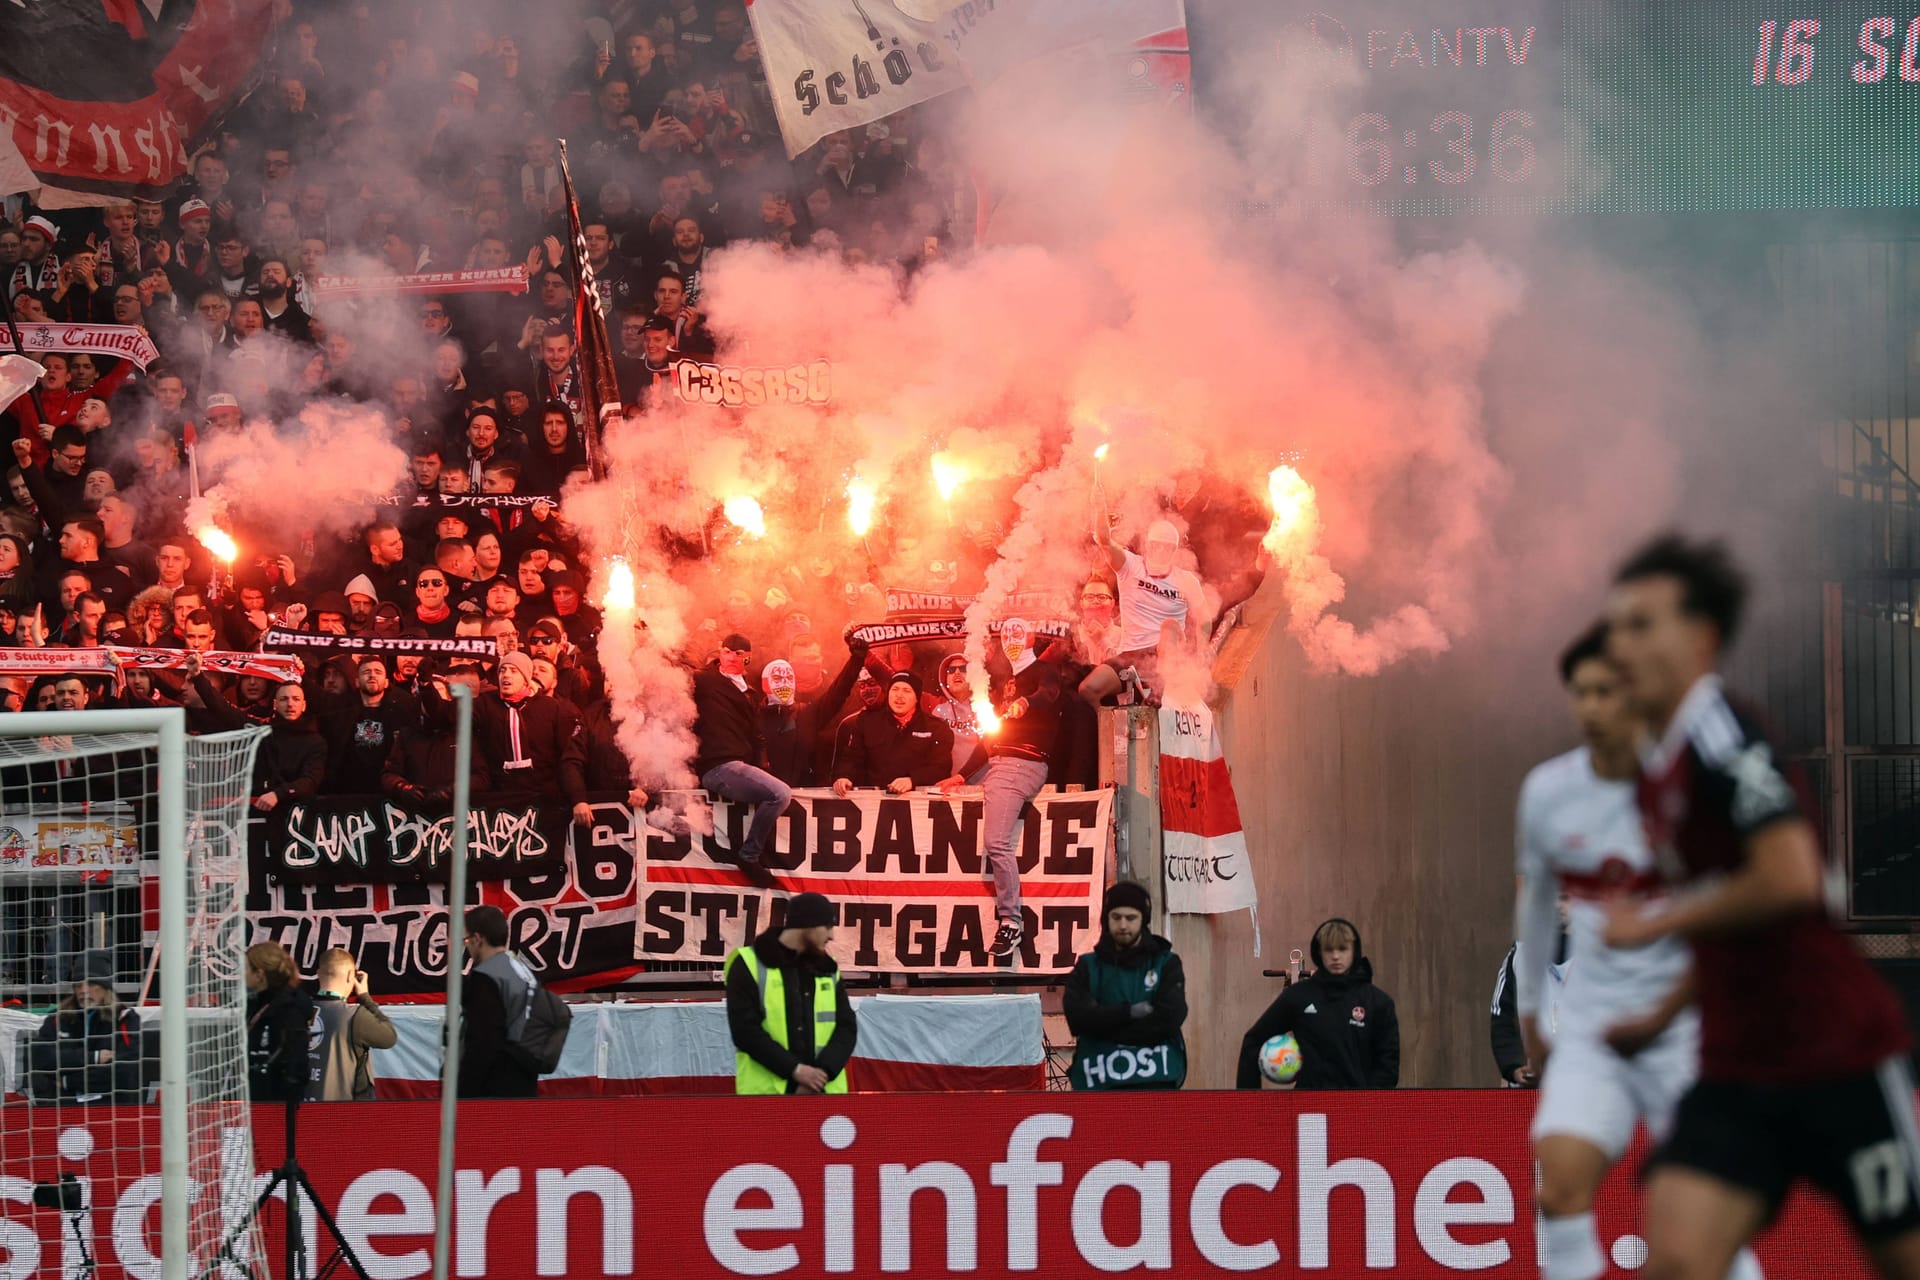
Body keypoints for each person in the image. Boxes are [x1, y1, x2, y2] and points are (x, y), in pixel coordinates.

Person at [1601, 536, 1920, 1279]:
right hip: (1739, 1066)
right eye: (1616, 625)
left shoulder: (1722, 733)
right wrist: (1657, 1015)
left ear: (1703, 637)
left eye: (1643, 624)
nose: (1620, 642)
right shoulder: (1658, 767)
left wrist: (1652, 923)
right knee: (1676, 1262)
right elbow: (1728, 921)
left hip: (1837, 1054)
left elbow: (1789, 880)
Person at [1514, 621, 1764, 1280]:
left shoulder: (1690, 788)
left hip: (1682, 1032)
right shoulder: (1547, 793)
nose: (1594, 708)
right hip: (1594, 1030)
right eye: (1582, 693)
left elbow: (1740, 912)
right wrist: (1533, 1012)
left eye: (1609, 692)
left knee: (1700, 1228)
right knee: (1559, 1189)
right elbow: (1536, 911)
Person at [957, 620, 1066, 958]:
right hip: (999, 760)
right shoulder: (1003, 679)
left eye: (1019, 634)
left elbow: (1047, 694)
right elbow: (992, 735)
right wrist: (962, 775)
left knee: (995, 841)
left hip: (1021, 763)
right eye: (1007, 635)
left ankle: (1010, 920)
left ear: (1032, 638)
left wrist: (1026, 704)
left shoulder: (1045, 670)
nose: (1013, 641)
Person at [1235, 918, 1399, 1090]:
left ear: (1354, 951)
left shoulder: (1378, 1003)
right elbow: (1254, 1040)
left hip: (1358, 1109)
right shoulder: (1299, 996)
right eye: (1329, 950)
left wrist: (1370, 1103)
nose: (1335, 956)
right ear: (1319, 952)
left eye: (1342, 949)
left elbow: (1388, 1063)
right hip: (1310, 1108)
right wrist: (1250, 1105)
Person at [724, 892, 857, 1095]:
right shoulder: (747, 964)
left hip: (824, 1096)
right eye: (827, 926)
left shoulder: (827, 967)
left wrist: (820, 1075)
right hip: (767, 1099)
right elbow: (745, 1031)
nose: (832, 936)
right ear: (807, 925)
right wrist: (796, 1071)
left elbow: (846, 1027)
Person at [1063, 882, 1187, 1090]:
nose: (1122, 925)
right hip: (1098, 1082)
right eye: (1116, 917)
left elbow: (1171, 1017)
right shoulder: (1088, 966)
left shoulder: (1165, 963)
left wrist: (1104, 1025)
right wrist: (1129, 1013)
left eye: (1131, 918)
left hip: (1156, 1081)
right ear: (1106, 919)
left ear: (1143, 920)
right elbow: (1078, 1018)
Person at [1079, 513, 1210, 706]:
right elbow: (1104, 540)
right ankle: (1109, 727)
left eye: (1167, 547)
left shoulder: (1186, 580)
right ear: (1148, 545)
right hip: (1131, 654)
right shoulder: (1131, 566)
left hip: (1169, 652)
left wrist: (1202, 652)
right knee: (1087, 689)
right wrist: (1099, 505)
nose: (1161, 550)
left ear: (1174, 550)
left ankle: (1160, 695)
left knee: (1169, 626)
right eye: (1156, 544)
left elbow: (1204, 617)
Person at [692, 633, 790, 868]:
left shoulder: (751, 693)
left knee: (776, 793)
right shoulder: (704, 681)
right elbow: (675, 667)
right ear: (719, 652)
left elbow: (754, 735)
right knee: (780, 794)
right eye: (726, 652)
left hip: (738, 765)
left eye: (738, 654)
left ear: (747, 658)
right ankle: (749, 856)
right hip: (717, 765)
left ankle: (753, 853)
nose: (731, 658)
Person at [29, 950, 144, 1104]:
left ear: (105, 987)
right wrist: (94, 1057)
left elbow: (125, 1073)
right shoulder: (58, 1018)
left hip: (110, 1110)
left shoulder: (124, 1019)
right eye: (78, 984)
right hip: (63, 1110)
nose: (83, 990)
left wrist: (66, 1081)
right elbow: (41, 1060)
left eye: (91, 984)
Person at [831, 670, 958, 795]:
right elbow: (852, 758)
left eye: (906, 691)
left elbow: (941, 768)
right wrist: (844, 776)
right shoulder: (867, 721)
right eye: (895, 689)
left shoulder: (936, 727)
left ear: (917, 698)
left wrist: (912, 780)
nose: (899, 695)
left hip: (917, 805)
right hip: (875, 803)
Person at [457, 904, 539, 1099]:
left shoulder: (486, 977)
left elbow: (482, 1042)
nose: (466, 946)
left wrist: (462, 1091)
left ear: (478, 939)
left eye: (466, 939)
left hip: (494, 1087)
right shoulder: (522, 971)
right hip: (524, 1078)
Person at [307, 947, 398, 1102]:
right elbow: (389, 1037)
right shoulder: (354, 1015)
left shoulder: (298, 1009)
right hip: (345, 1112)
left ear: (318, 973)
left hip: (302, 1109)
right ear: (351, 976)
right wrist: (365, 997)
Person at [244, 941, 314, 1103]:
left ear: (259, 974)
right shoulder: (256, 1003)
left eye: (246, 969)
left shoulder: (288, 1008)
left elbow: (295, 1063)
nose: (242, 974)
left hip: (276, 1105)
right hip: (254, 1097)